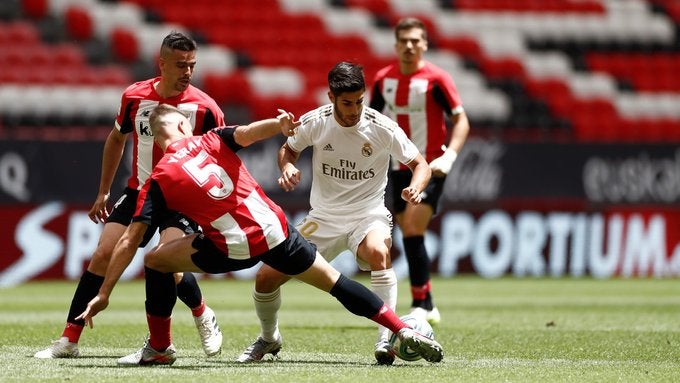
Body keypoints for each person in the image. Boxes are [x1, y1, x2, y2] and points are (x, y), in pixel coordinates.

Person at [75, 104, 444, 366]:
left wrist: (105, 293)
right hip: (277, 230)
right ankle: (400, 327)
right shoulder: (212, 140)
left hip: (233, 248)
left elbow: (128, 240)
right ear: (185, 127)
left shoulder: (157, 180)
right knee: (335, 282)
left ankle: (159, 346)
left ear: (158, 140)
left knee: (156, 260)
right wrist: (280, 124)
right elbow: (250, 133)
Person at [35, 31, 225, 359]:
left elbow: (221, 157)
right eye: (180, 65)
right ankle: (69, 339)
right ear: (161, 64)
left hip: (181, 197)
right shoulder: (135, 97)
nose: (187, 73)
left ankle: (200, 314)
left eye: (192, 65)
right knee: (102, 254)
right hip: (140, 190)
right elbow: (115, 139)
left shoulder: (206, 108)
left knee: (167, 260)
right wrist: (104, 191)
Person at [237, 62, 432, 366]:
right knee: (265, 277)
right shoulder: (316, 121)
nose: (354, 110)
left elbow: (420, 164)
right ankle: (269, 338)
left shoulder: (381, 127)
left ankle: (385, 340)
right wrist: (287, 166)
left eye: (359, 101)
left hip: (368, 215)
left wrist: (416, 188)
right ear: (331, 97)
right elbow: (288, 149)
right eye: (347, 103)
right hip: (323, 219)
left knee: (378, 252)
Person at [369, 17, 471, 325]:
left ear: (424, 44)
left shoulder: (437, 79)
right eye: (405, 41)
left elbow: (462, 121)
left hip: (430, 166)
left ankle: (422, 304)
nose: (410, 46)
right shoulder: (383, 80)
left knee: (412, 226)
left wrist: (450, 156)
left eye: (416, 41)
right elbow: (369, 120)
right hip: (396, 166)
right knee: (409, 232)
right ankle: (425, 300)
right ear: (396, 45)